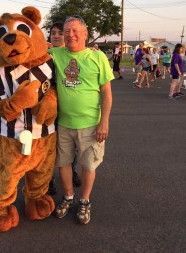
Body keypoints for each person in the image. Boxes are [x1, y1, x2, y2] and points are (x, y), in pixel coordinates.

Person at [49, 15, 114, 224]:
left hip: (90, 124)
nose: (70, 35)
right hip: (63, 123)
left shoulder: (98, 58)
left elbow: (106, 93)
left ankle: (84, 201)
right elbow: (31, 53)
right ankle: (68, 196)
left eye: (75, 30)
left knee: (88, 165)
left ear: (85, 33)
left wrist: (104, 121)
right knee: (63, 163)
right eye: (67, 31)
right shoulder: (55, 54)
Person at [47, 22, 81, 196]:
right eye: (53, 33)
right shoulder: (45, 55)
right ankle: (49, 179)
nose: (57, 36)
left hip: (67, 109)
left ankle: (73, 170)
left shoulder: (71, 54)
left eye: (61, 32)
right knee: (49, 146)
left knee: (71, 146)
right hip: (48, 109)